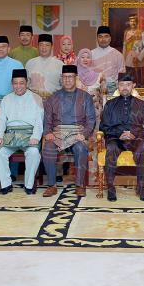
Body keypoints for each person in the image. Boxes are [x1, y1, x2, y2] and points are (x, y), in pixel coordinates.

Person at [42, 65, 96, 198]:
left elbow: (91, 120)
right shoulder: (53, 98)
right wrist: (48, 132)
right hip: (58, 133)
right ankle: (52, 185)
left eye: (70, 77)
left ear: (76, 78)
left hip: (78, 133)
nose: (67, 80)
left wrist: (84, 134)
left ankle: (79, 185)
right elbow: (47, 120)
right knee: (48, 147)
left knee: (80, 148)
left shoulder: (85, 97)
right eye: (65, 77)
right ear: (61, 78)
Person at [99, 72, 144, 202]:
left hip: (136, 138)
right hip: (115, 139)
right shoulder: (110, 105)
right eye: (122, 84)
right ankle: (111, 188)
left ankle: (141, 187)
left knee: (142, 147)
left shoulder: (141, 105)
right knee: (111, 148)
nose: (124, 87)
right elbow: (103, 126)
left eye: (128, 84)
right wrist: (119, 134)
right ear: (117, 86)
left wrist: (133, 134)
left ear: (133, 85)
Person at [0, 69, 44, 195]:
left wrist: (36, 137)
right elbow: (1, 120)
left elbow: (39, 121)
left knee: (33, 152)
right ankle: (6, 184)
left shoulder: (36, 98)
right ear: (11, 84)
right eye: (15, 83)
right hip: (11, 134)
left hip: (29, 134)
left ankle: (29, 185)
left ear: (27, 83)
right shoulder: (6, 99)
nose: (18, 86)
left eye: (21, 83)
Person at [25, 34, 64, 99]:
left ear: (52, 47)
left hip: (54, 101)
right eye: (41, 45)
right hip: (33, 101)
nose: (44, 47)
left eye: (47, 45)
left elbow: (64, 85)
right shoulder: (30, 63)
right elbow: (26, 84)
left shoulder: (60, 64)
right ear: (37, 46)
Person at [91, 26, 125, 94]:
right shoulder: (90, 54)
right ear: (97, 38)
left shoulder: (118, 55)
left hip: (113, 93)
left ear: (110, 38)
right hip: (94, 92)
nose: (103, 39)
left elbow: (122, 77)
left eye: (106, 36)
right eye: (100, 36)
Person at [123, 14, 144, 86]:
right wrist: (123, 59)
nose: (132, 23)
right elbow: (124, 46)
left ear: (137, 22)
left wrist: (139, 58)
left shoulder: (142, 33)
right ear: (129, 22)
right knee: (128, 80)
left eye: (134, 21)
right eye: (131, 21)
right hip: (128, 59)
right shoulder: (126, 32)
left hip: (138, 59)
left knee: (139, 80)